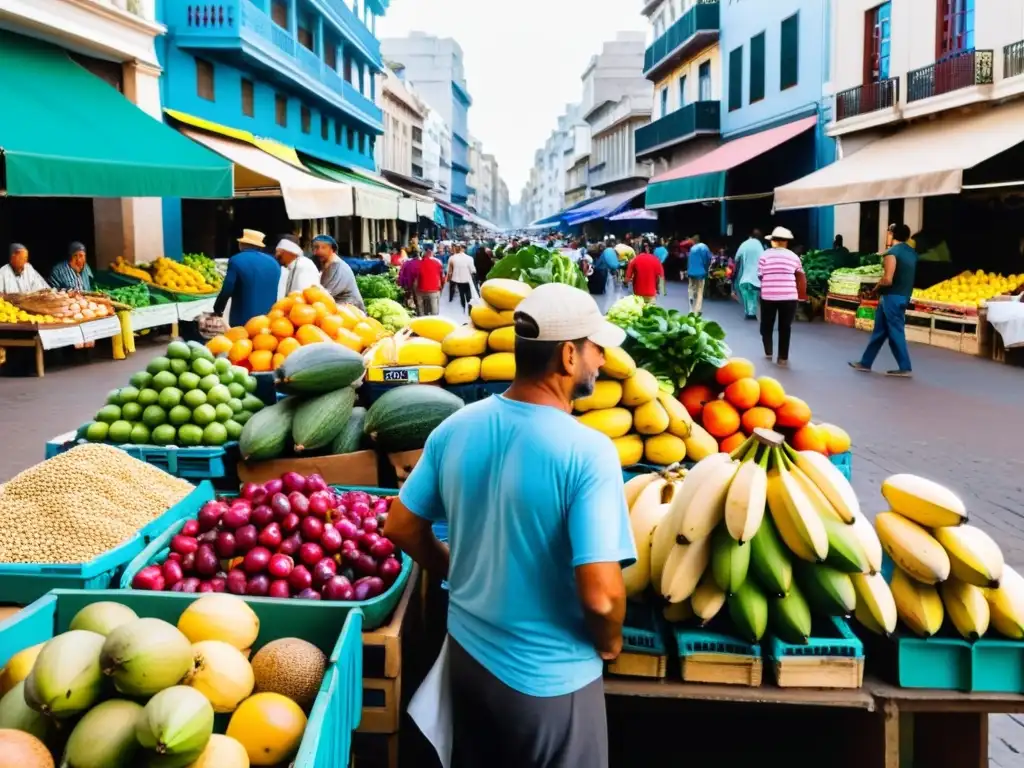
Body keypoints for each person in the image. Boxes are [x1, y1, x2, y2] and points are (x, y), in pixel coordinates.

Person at [385, 283, 634, 768]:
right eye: (595, 349)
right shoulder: (588, 452)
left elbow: (401, 525)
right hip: (549, 681)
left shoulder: (456, 426)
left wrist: (454, 570)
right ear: (567, 356)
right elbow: (602, 596)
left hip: (466, 660)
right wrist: (610, 642)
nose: (601, 361)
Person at [850, 223, 918, 377]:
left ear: (892, 234)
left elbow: (888, 279)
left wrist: (875, 288)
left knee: (896, 331)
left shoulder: (892, 253)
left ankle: (905, 366)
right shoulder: (912, 253)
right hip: (904, 295)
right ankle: (865, 362)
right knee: (880, 331)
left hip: (891, 297)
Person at [757, 226, 805, 367]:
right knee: (785, 327)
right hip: (789, 297)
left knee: (767, 325)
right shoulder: (794, 257)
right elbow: (799, 275)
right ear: (786, 242)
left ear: (772, 241)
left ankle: (768, 351)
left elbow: (760, 275)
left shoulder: (764, 255)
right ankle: (782, 358)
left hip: (768, 297)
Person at [212, 230, 281, 328]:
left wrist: (218, 308)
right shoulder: (274, 263)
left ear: (242, 244)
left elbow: (228, 288)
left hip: (243, 318)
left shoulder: (236, 260)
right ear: (259, 246)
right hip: (268, 318)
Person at [315, 234, 364, 310]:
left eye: (323, 248)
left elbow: (326, 295)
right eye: (316, 248)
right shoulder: (326, 265)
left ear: (332, 250)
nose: (319, 251)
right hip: (337, 309)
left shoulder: (338, 267)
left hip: (351, 311)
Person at [733, 229, 764, 320]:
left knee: (746, 294)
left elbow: (736, 258)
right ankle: (752, 312)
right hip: (756, 277)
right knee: (753, 294)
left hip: (745, 277)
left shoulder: (744, 244)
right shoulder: (759, 245)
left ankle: (748, 311)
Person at [686, 235, 711, 313]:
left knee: (691, 289)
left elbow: (688, 261)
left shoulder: (692, 249)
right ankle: (697, 310)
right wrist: (706, 269)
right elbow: (708, 259)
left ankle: (690, 307)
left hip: (691, 272)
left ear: (693, 241)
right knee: (700, 291)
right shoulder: (704, 247)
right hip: (700, 273)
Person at [416, 245, 445, 315]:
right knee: (434, 309)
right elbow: (442, 277)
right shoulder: (438, 262)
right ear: (432, 251)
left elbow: (416, 277)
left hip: (421, 289)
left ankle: (422, 319)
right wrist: (442, 287)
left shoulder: (419, 263)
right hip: (434, 289)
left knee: (421, 308)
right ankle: (434, 322)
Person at [447, 245, 476, 310]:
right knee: (468, 294)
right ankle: (469, 308)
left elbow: (449, 269)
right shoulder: (469, 258)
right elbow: (473, 270)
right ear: (463, 250)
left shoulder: (452, 258)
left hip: (457, 279)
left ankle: (463, 306)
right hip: (466, 279)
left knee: (461, 293)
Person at [599, 238, 621, 311]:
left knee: (609, 292)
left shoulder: (606, 252)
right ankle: (616, 307)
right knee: (616, 291)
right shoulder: (613, 251)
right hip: (615, 271)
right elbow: (616, 261)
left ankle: (608, 309)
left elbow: (599, 263)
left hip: (609, 273)